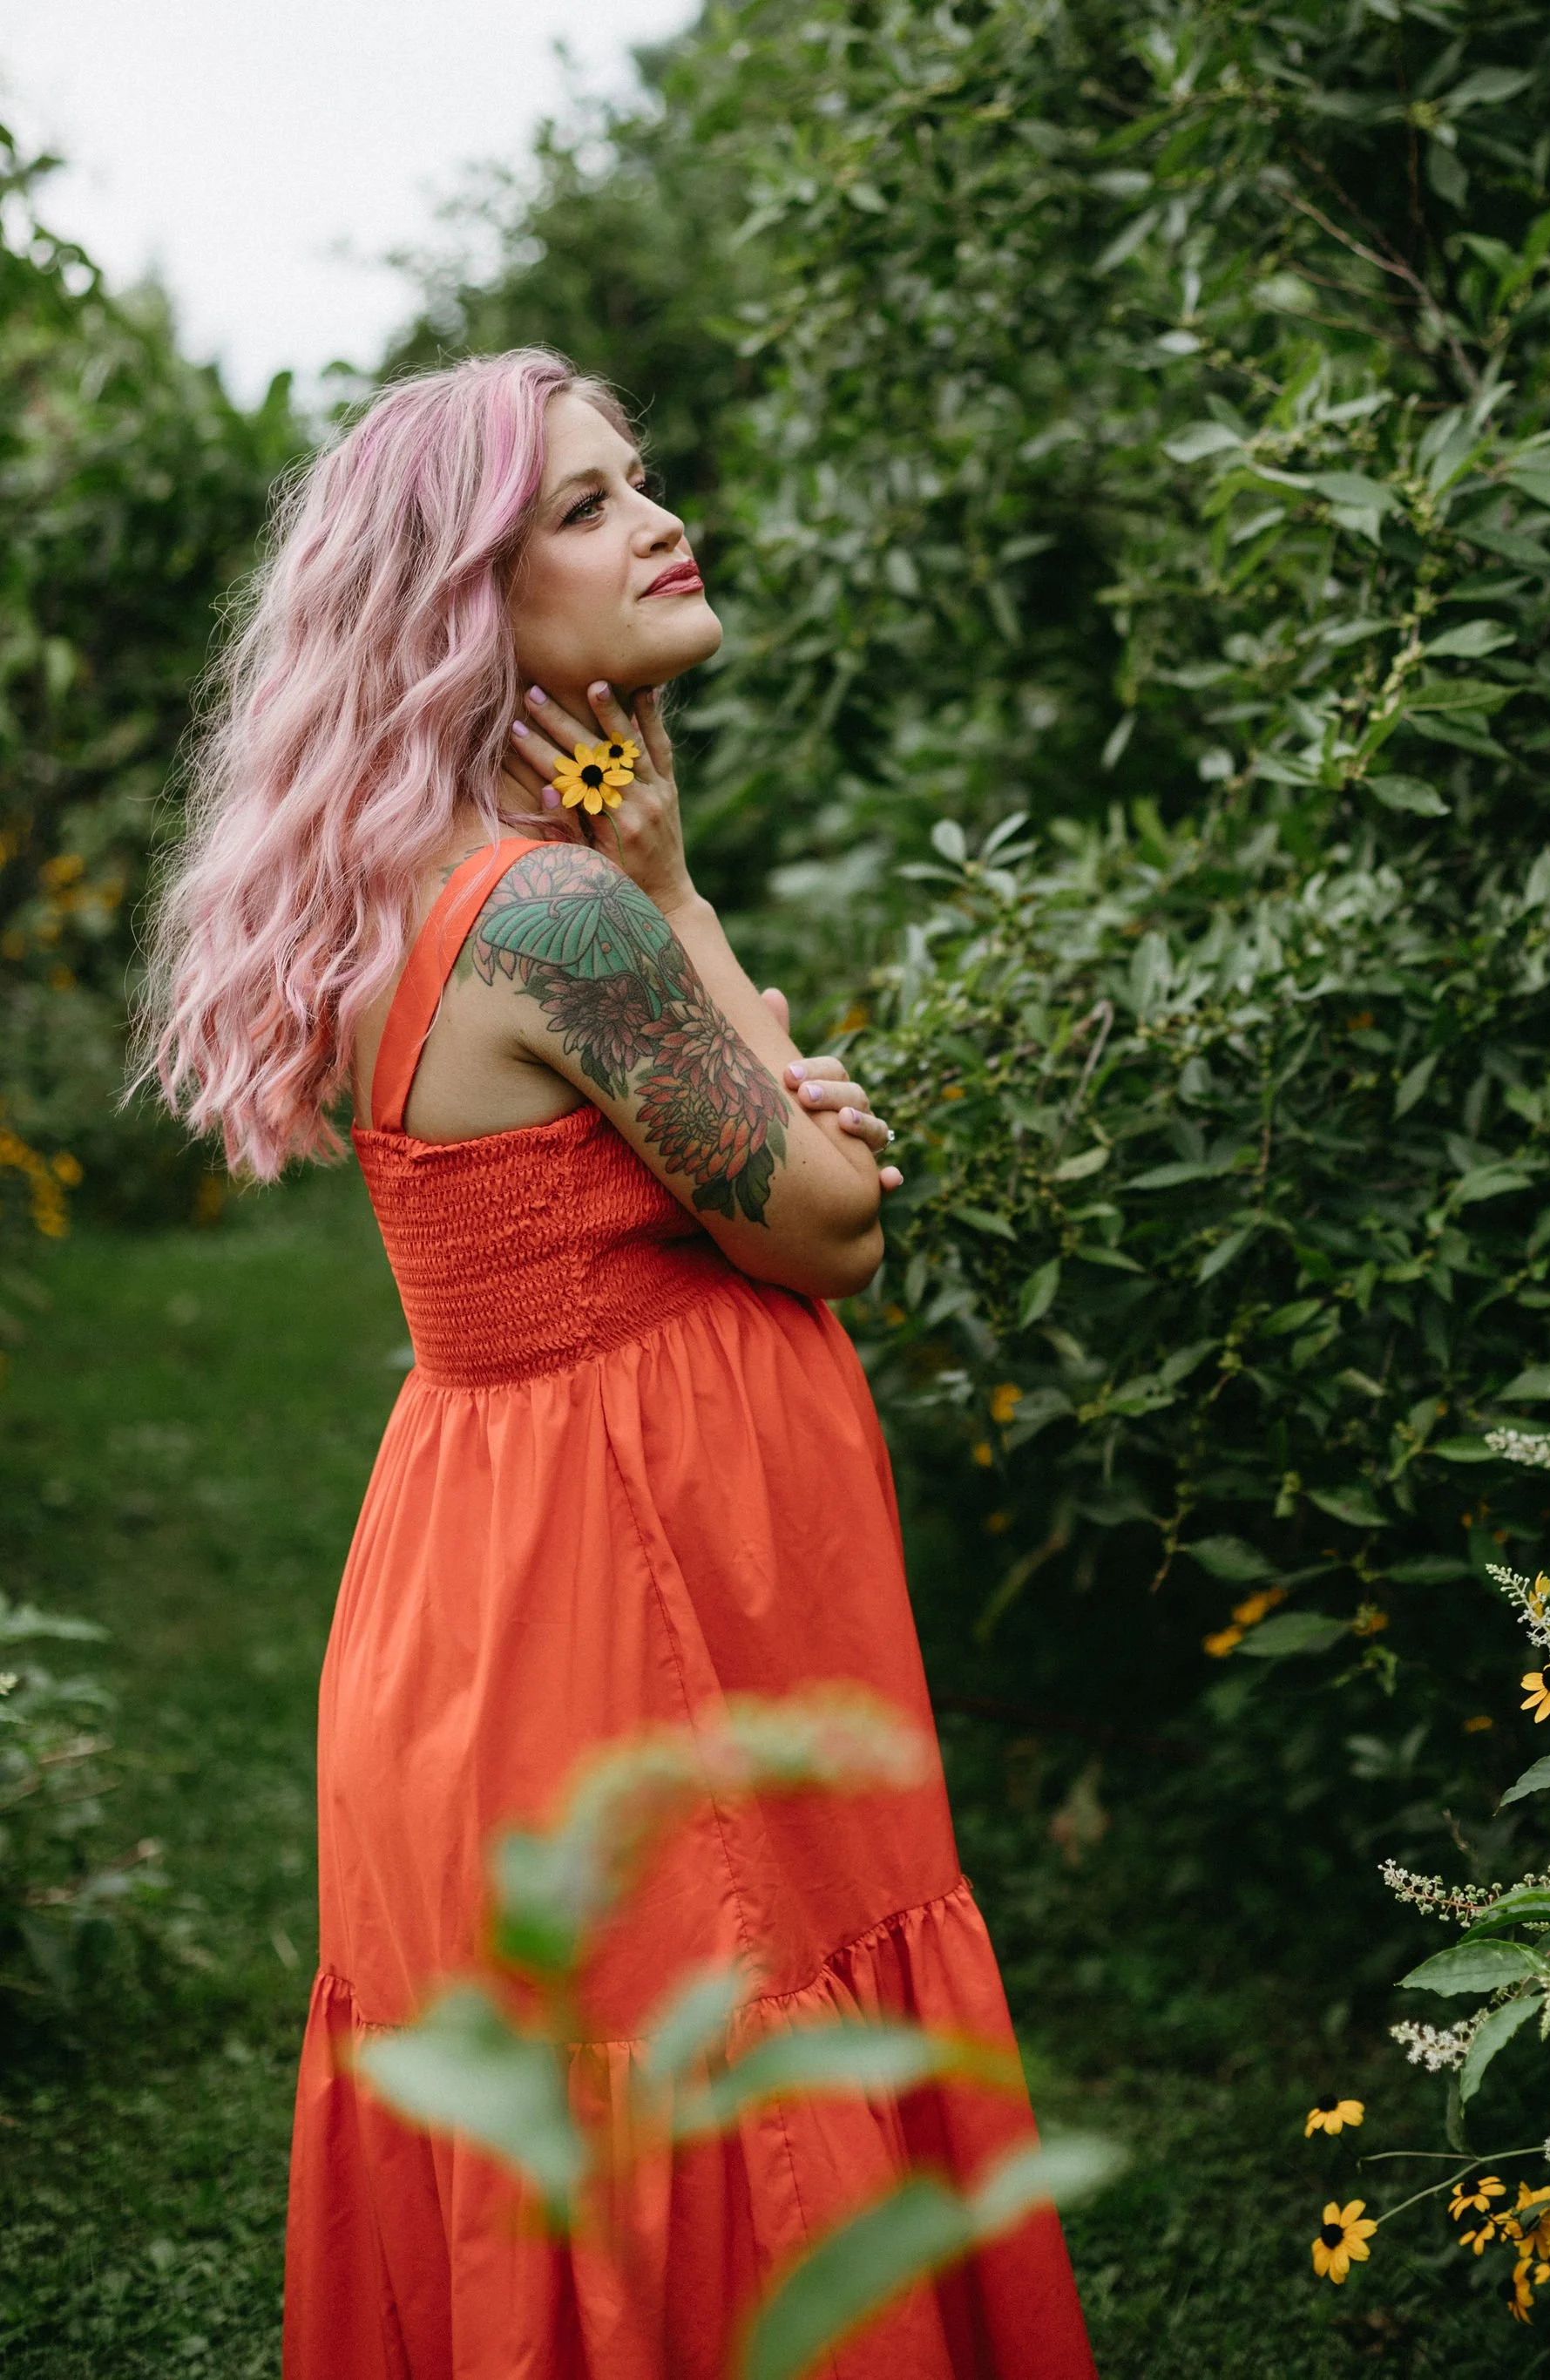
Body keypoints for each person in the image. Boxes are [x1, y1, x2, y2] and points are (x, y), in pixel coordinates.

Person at [138, 350, 1095, 2380]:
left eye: (636, 481)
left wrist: (740, 1077)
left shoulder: (399, 898)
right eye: (583, 507)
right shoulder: (565, 911)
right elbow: (829, 1226)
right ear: (464, 607)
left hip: (477, 1582)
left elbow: (713, 1173)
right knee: (732, 2042)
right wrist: (684, 915)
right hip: (638, 1593)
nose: (658, 520)